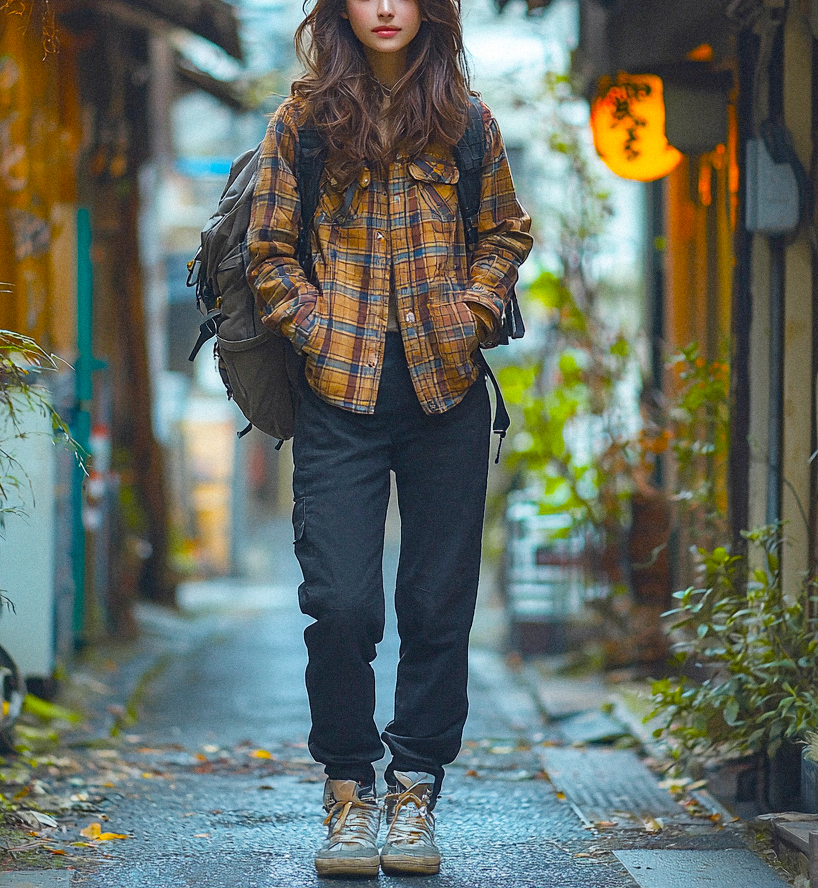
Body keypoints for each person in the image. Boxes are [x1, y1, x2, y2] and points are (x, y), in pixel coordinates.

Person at [247, 0, 532, 877]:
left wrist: (471, 311)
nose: (382, 7)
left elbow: (505, 232)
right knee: (340, 605)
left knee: (438, 605)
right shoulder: (300, 121)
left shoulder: (468, 121)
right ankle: (347, 793)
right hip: (339, 393)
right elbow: (267, 251)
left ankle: (415, 791)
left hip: (446, 394)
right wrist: (316, 327)